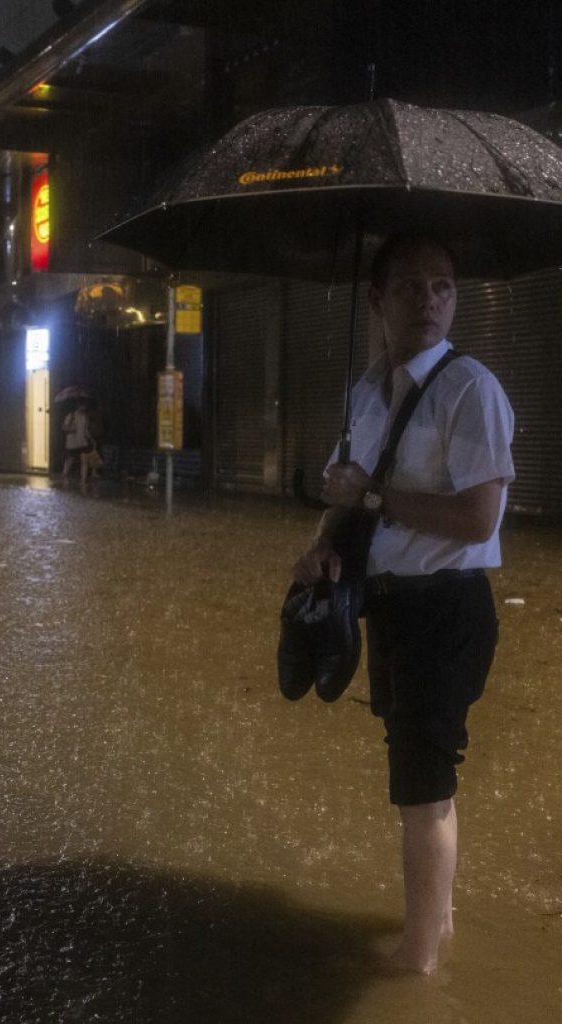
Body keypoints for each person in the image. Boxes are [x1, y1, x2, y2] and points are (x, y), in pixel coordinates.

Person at [292, 233, 515, 975]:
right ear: (377, 301)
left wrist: (376, 494)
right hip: (386, 606)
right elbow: (351, 497)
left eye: (443, 286)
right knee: (424, 771)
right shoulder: (363, 394)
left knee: (421, 785)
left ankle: (418, 962)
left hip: (447, 609)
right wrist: (326, 539)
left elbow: (479, 518)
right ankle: (439, 926)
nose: (430, 301)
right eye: (412, 287)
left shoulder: (470, 390)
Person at [61, 400, 93, 483]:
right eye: (82, 405)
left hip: (82, 442)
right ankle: (65, 474)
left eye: (85, 406)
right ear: (78, 406)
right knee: (70, 460)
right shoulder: (71, 415)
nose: (84, 407)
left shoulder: (85, 417)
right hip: (72, 443)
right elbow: (64, 427)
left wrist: (90, 438)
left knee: (84, 461)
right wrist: (71, 429)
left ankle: (83, 480)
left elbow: (85, 429)